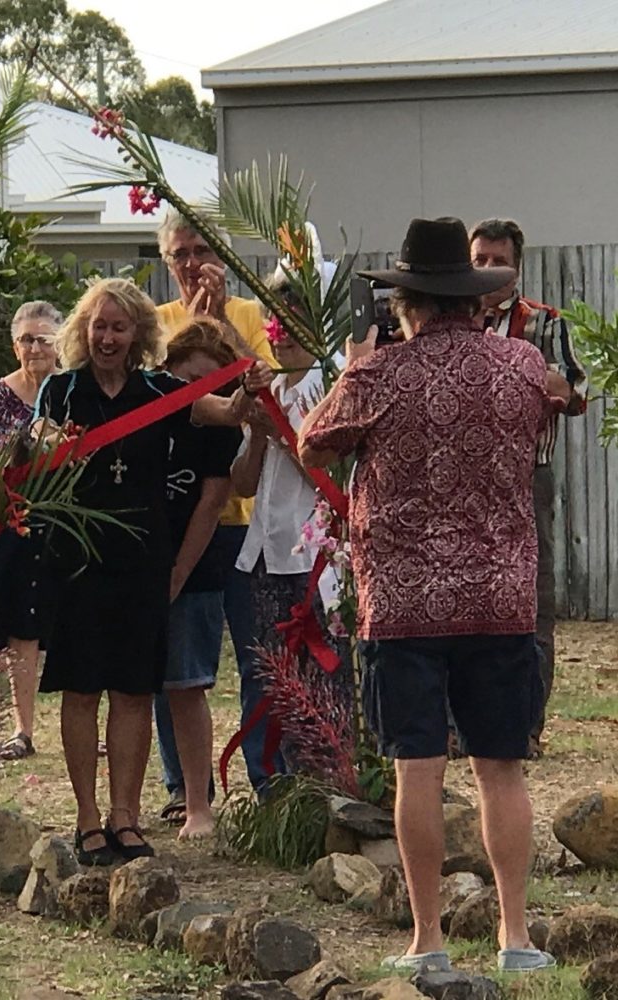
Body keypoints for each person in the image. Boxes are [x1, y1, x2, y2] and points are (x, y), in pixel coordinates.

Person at [298, 217, 559, 973]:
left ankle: (428, 941)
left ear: (406, 301)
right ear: (474, 298)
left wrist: (353, 367)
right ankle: (516, 936)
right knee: (500, 767)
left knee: (419, 768)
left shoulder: (378, 375)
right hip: (502, 594)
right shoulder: (520, 363)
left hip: (406, 601)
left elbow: (313, 441)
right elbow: (547, 419)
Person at [35, 277, 262, 866]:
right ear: (83, 331)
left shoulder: (159, 388)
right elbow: (31, 451)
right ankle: (88, 817)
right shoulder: (60, 391)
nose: (107, 337)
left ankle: (126, 817)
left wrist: (245, 401)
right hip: (78, 560)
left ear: (137, 333)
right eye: (98, 325)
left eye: (118, 326)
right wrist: (42, 444)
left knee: (134, 690)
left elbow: (218, 410)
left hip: (142, 561)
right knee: (82, 689)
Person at [155, 210, 277, 806]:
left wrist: (221, 322)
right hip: (177, 518)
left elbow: (264, 394)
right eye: (180, 253)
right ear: (166, 261)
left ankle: (265, 776)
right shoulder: (152, 324)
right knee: (174, 663)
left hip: (242, 518)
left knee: (256, 654)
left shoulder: (251, 315)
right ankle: (184, 785)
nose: (192, 262)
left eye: (202, 249)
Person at [469, 218, 586, 751]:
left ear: (519, 266)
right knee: (461, 596)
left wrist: (507, 371)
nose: (489, 270)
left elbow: (574, 390)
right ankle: (456, 726)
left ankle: (527, 727)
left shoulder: (544, 323)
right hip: (460, 480)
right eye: (480, 260)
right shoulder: (451, 324)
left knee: (531, 603)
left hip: (526, 478)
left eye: (499, 260)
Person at [232, 281, 351, 783]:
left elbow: (330, 474)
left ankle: (328, 778)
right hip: (267, 550)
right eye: (272, 321)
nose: (278, 335)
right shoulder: (272, 388)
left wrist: (282, 430)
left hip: (313, 559)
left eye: (290, 321)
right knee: (270, 676)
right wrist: (258, 427)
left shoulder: (331, 388)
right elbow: (242, 480)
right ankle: (275, 782)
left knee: (322, 675)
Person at [153, 317, 242, 840]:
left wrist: (177, 573)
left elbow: (212, 502)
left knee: (186, 686)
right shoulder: (143, 413)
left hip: (197, 567)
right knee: (132, 692)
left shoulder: (221, 430)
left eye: (211, 382)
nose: (196, 392)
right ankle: (124, 807)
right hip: (135, 567)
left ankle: (197, 805)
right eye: (187, 379)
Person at [0, 301, 62, 759]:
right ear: (14, 346)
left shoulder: (72, 390)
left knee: (76, 620)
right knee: (21, 627)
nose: (35, 347)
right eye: (27, 339)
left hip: (69, 519)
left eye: (44, 337)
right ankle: (23, 729)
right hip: (16, 522)